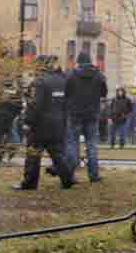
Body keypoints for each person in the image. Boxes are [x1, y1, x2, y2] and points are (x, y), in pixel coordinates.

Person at [13, 57, 75, 190]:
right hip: (58, 124)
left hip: (40, 125)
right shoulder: (63, 81)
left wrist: (27, 121)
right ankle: (68, 179)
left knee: (33, 155)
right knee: (58, 154)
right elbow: (67, 104)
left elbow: (35, 105)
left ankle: (29, 183)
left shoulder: (39, 82)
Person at [64, 51, 108, 183]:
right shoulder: (99, 75)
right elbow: (104, 93)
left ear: (78, 61)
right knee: (92, 144)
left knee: (72, 143)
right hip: (92, 114)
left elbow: (66, 92)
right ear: (90, 60)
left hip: (75, 113)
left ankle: (70, 174)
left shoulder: (71, 74)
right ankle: (94, 175)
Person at [0, 81, 21, 167]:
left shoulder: (14, 95)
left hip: (9, 121)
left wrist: (16, 116)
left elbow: (19, 106)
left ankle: (9, 157)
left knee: (14, 142)